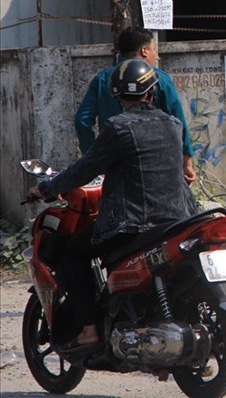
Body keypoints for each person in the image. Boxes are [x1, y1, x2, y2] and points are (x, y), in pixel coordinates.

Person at [29, 59, 197, 352]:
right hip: (176, 220)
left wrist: (47, 189)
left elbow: (85, 168)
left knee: (75, 252)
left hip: (130, 225)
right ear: (152, 93)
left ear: (119, 97)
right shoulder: (173, 125)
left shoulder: (117, 127)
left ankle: (89, 330)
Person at [74, 26, 197, 184]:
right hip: (155, 164)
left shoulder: (102, 80)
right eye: (154, 49)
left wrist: (94, 159)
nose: (156, 55)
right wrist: (187, 163)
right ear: (144, 51)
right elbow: (179, 123)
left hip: (115, 165)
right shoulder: (160, 80)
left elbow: (82, 120)